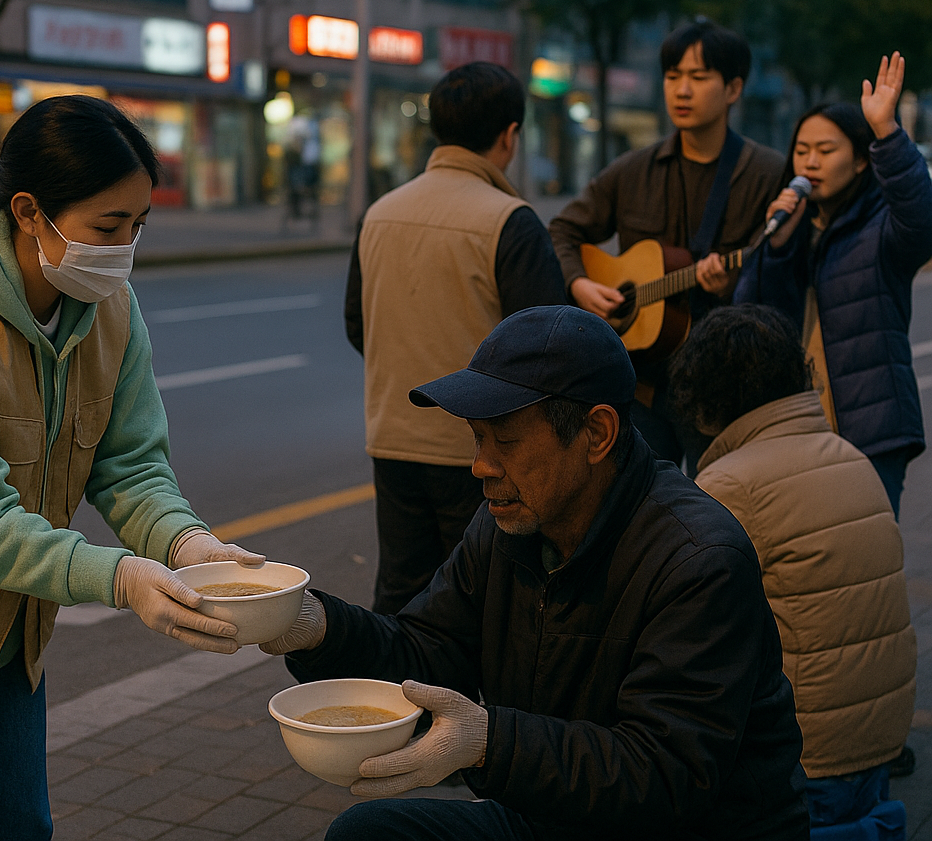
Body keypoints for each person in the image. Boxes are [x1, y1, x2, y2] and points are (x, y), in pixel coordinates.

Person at [264, 305, 809, 841]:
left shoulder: (698, 558)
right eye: (478, 437)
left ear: (597, 433)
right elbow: (428, 653)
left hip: (683, 825)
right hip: (552, 813)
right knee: (368, 832)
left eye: (506, 441)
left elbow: (664, 775)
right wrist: (313, 625)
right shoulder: (509, 522)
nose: (482, 464)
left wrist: (487, 742)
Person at [0, 96, 264, 840]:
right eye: (109, 227)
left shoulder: (109, 308)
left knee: (19, 827)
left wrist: (186, 546)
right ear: (30, 211)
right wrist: (121, 577)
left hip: (10, 636)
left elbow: (131, 466)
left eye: (139, 226)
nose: (126, 249)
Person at [668, 304, 916, 835]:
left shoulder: (729, 487)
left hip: (806, 759)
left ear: (708, 398)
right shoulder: (851, 455)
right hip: (876, 746)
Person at [344, 62, 566, 614]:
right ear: (509, 135)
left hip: (392, 438)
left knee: (403, 591)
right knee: (489, 598)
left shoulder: (379, 214)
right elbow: (549, 350)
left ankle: (396, 698)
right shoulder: (511, 221)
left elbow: (357, 326)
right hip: (485, 450)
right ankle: (467, 703)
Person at [550, 19, 784, 471]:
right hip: (639, 388)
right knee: (634, 516)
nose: (682, 90)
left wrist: (734, 286)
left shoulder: (766, 174)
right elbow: (564, 229)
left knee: (719, 516)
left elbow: (785, 275)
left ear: (734, 88)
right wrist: (579, 284)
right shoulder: (633, 170)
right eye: (673, 76)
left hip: (722, 391)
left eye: (698, 78)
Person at [734, 53, 932, 518]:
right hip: (793, 426)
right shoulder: (789, 225)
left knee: (865, 558)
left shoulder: (881, 229)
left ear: (861, 161)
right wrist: (777, 247)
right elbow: (752, 317)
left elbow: (920, 221)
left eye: (827, 150)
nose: (810, 162)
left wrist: (886, 131)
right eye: (802, 150)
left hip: (870, 427)